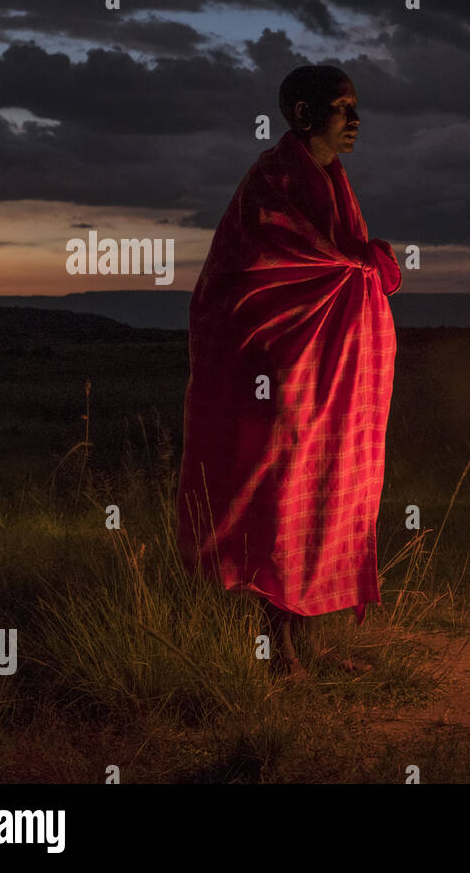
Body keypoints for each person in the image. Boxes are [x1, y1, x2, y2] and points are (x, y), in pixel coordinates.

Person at [177, 65, 402, 679]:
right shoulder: (273, 178)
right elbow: (266, 267)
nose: (355, 120)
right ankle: (276, 651)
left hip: (330, 377)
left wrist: (364, 262)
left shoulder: (332, 177)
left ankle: (307, 641)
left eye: (356, 107)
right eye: (341, 107)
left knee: (329, 499)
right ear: (303, 115)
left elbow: (337, 261)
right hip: (278, 375)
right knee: (283, 504)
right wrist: (365, 261)